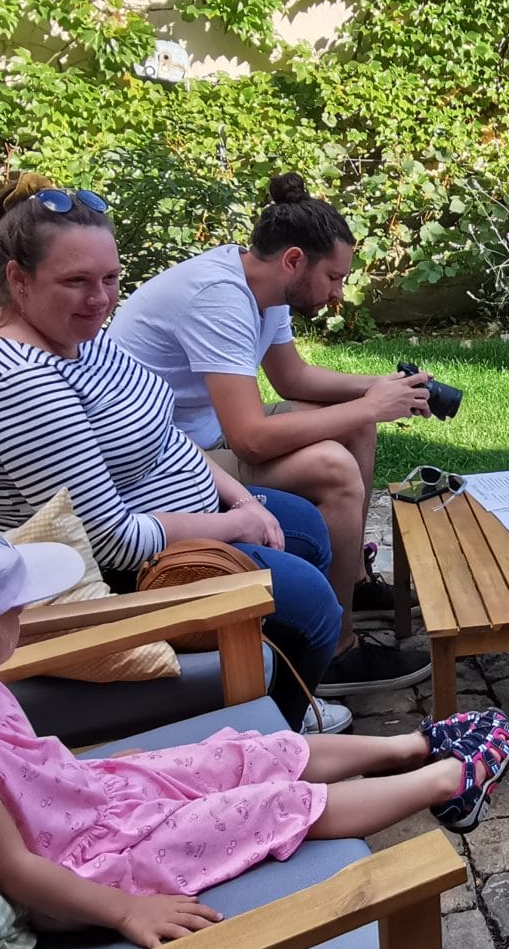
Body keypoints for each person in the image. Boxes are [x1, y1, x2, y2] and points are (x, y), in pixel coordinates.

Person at [0, 513, 509, 949]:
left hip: (99, 799)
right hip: (95, 869)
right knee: (264, 805)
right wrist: (124, 911)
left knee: (246, 753)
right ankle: (448, 781)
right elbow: (14, 869)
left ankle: (413, 744)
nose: (24, 616)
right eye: (11, 610)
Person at [0, 174, 354, 730]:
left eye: (111, 279)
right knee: (311, 604)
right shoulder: (21, 384)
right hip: (129, 577)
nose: (101, 299)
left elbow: (162, 429)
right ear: (18, 279)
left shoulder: (75, 338)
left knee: (303, 525)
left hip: (172, 514)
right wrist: (234, 526)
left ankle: (287, 696)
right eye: (77, 281)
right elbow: (112, 542)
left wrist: (238, 500)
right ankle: (275, 737)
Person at [106, 174, 430, 698]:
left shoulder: (263, 285)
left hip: (207, 436)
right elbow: (250, 438)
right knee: (334, 467)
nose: (337, 293)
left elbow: (292, 379)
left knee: (358, 424)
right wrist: (369, 402)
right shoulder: (219, 299)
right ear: (294, 260)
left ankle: (353, 583)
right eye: (333, 278)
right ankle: (336, 652)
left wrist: (381, 391)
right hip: (167, 460)